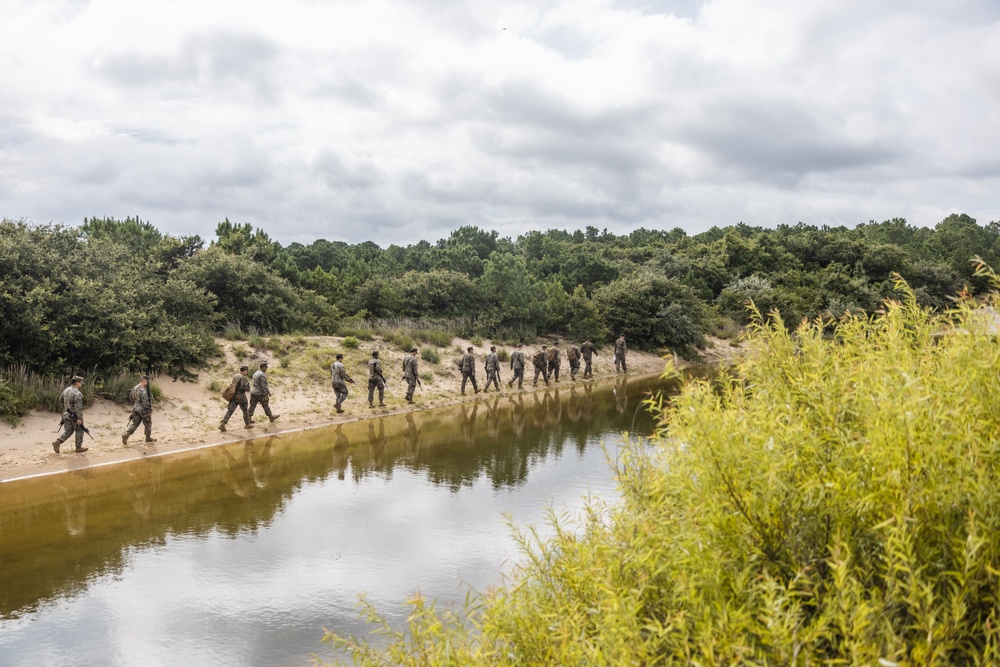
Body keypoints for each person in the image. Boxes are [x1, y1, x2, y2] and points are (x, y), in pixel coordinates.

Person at [53, 375, 88, 453]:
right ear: (77, 383)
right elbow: (78, 408)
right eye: (80, 382)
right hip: (74, 416)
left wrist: (66, 408)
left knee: (68, 430)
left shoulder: (66, 390)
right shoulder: (78, 394)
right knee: (80, 430)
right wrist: (79, 418)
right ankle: (78, 447)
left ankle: (58, 442)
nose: (81, 384)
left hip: (66, 414)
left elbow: (60, 399)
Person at [122, 374, 155, 445]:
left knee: (135, 423)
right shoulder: (143, 390)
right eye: (147, 381)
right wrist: (149, 408)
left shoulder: (134, 388)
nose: (147, 383)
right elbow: (145, 401)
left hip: (135, 408)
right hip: (143, 409)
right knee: (148, 423)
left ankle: (126, 434)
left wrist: (135, 405)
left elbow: (131, 398)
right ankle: (148, 438)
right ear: (144, 381)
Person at [220, 365, 253, 432]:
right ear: (245, 371)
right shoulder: (243, 378)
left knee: (230, 410)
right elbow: (244, 387)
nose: (247, 372)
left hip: (233, 395)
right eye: (247, 370)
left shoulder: (236, 375)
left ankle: (223, 424)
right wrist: (248, 386)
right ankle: (247, 424)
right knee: (245, 410)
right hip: (240, 396)